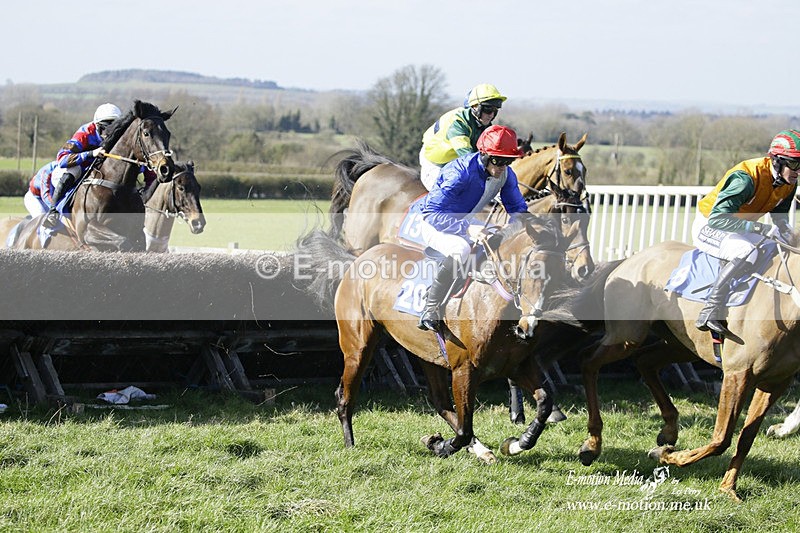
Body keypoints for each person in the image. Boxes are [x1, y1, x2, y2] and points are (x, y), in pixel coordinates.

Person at [417, 124, 529, 331]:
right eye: (498, 160)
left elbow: (518, 210)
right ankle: (430, 308)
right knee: (461, 249)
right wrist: (467, 229)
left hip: (464, 221)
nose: (503, 166)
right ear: (484, 155)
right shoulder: (460, 172)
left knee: (499, 238)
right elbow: (431, 213)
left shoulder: (506, 174)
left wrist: (513, 229)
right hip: (434, 223)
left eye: (508, 161)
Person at [692, 129, 800, 336]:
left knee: (777, 248)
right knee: (745, 251)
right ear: (777, 161)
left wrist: (786, 231)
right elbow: (717, 219)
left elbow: (779, 218)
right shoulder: (745, 178)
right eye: (794, 164)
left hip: (740, 226)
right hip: (710, 225)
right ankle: (710, 309)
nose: (798, 171)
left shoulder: (789, 183)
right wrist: (760, 228)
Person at [43, 103, 123, 228]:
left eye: (114, 128)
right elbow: (62, 158)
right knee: (73, 171)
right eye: (105, 129)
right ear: (96, 125)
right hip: (79, 167)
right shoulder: (84, 133)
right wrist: (90, 154)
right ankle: (53, 212)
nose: (109, 134)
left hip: (100, 169)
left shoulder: (121, 135)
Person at [419, 84, 507, 191]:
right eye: (488, 110)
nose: (491, 115)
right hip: (435, 163)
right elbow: (467, 155)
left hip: (454, 162)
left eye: (495, 111)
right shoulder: (457, 122)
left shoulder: (483, 123)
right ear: (475, 107)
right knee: (445, 194)